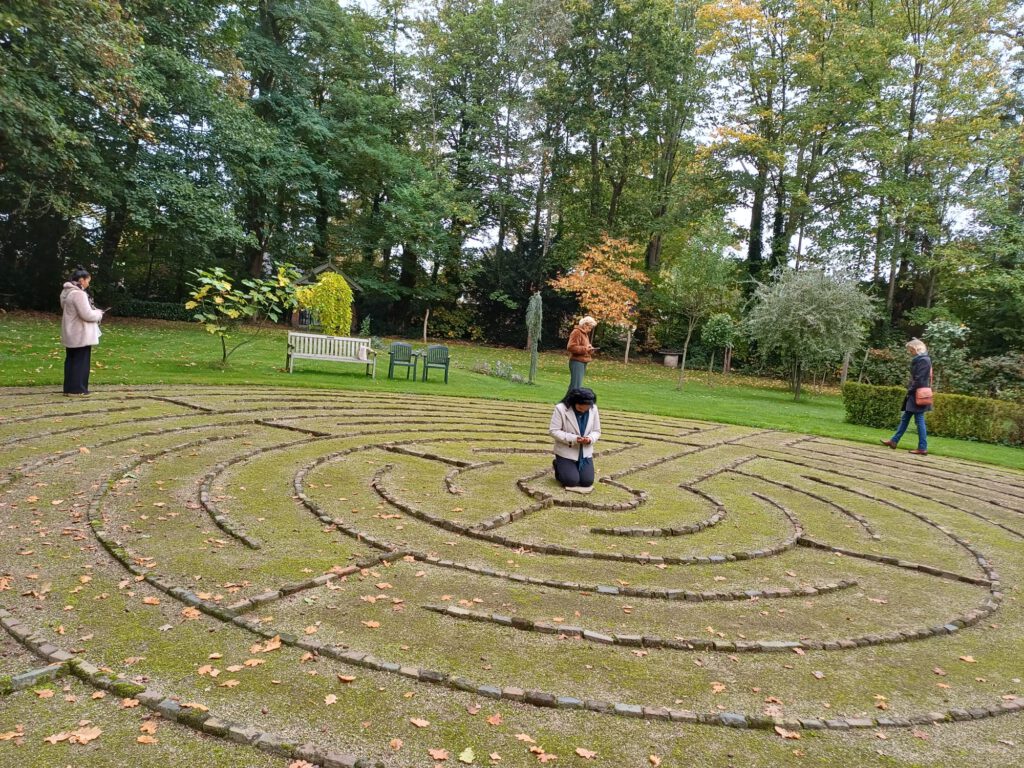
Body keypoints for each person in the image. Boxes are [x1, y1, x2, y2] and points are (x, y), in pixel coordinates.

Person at [880, 338, 932, 455]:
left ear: (917, 348)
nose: (910, 353)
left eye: (911, 350)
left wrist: (910, 389)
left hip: (917, 395)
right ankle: (894, 441)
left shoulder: (923, 360)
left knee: (919, 420)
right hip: (914, 394)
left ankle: (922, 448)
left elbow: (920, 379)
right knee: (905, 418)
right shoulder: (921, 359)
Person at [60, 268, 105, 397]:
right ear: (81, 280)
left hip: (71, 331)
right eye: (87, 281)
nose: (88, 284)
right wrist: (99, 314)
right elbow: (86, 314)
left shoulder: (66, 292)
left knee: (71, 360)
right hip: (80, 333)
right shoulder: (79, 294)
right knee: (81, 362)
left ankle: (69, 388)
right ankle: (78, 389)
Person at [549, 387, 601, 493]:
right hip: (566, 451)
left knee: (587, 481)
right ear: (574, 402)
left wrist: (589, 439)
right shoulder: (560, 409)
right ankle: (558, 465)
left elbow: (596, 431)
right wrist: (574, 439)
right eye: (580, 408)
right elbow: (553, 431)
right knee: (571, 481)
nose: (583, 411)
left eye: (586, 409)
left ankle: (573, 468)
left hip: (585, 451)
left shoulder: (593, 409)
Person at [566, 315, 597, 392]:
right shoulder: (577, 332)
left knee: (576, 385)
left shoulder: (584, 334)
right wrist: (586, 349)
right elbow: (571, 347)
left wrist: (590, 349)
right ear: (585, 324)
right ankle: (571, 399)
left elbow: (584, 347)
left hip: (583, 361)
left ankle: (569, 399)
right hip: (577, 361)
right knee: (575, 386)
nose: (590, 330)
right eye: (589, 327)